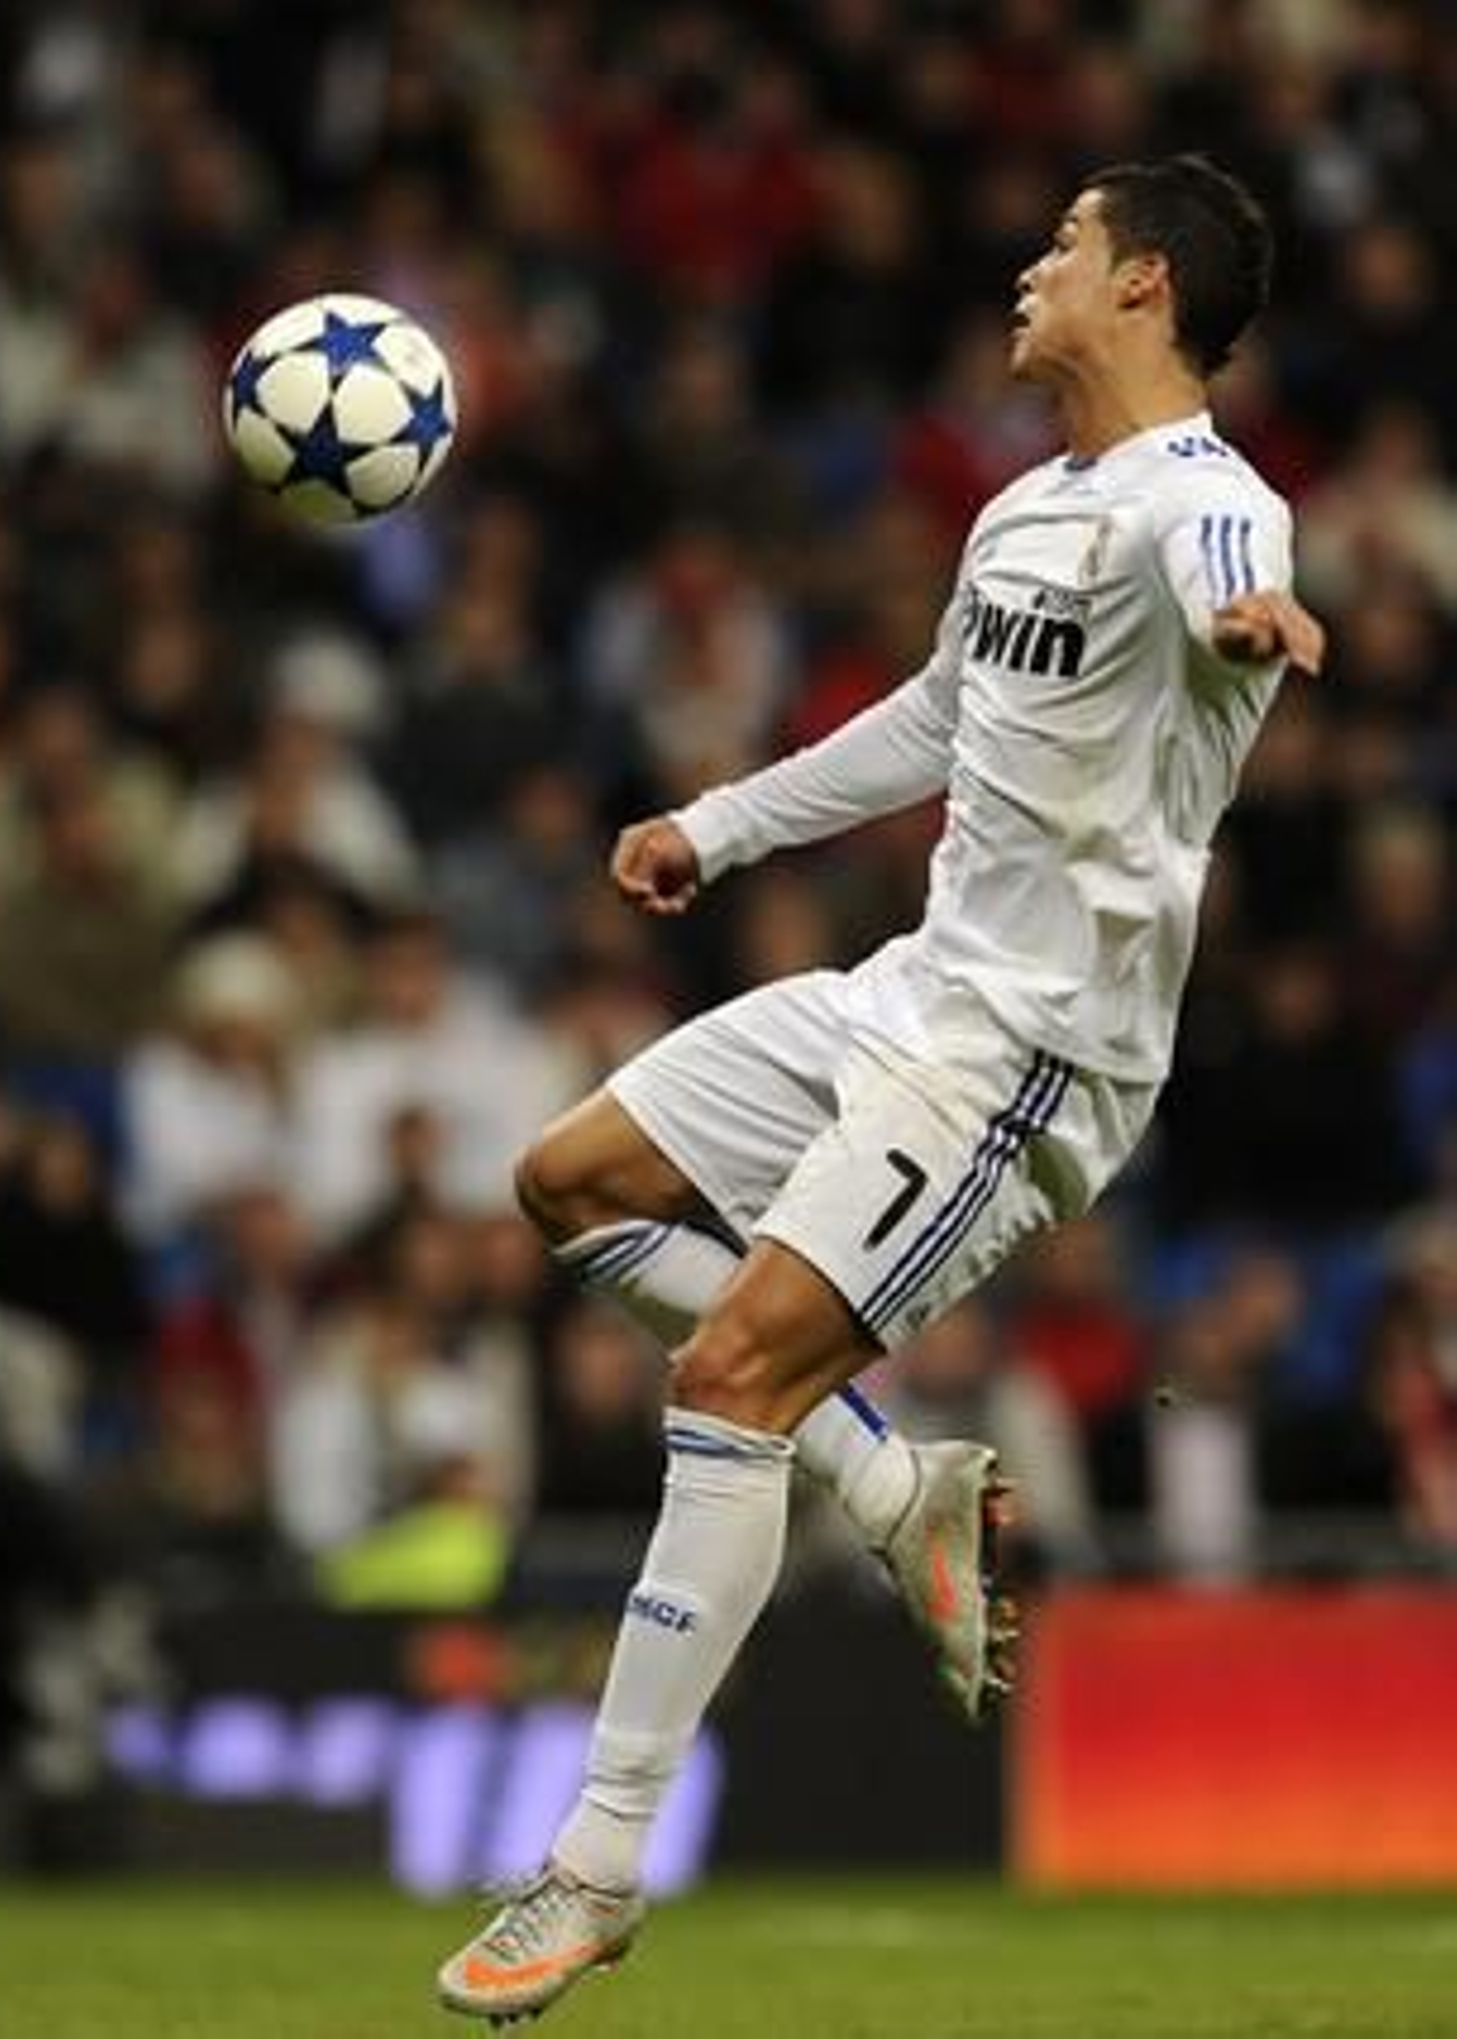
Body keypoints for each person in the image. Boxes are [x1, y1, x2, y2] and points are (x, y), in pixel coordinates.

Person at [439, 154, 1325, 2023]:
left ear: (1146, 284)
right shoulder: (1019, 513)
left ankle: (593, 1868)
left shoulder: (1213, 505)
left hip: (1031, 1055)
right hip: (900, 998)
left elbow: (1231, 570)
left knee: (727, 1374)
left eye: (1066, 243)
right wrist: (718, 825)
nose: (1031, 263)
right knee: (569, 1182)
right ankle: (893, 1477)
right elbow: (935, 718)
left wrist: (1259, 623)